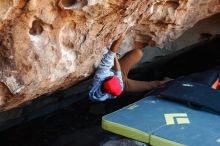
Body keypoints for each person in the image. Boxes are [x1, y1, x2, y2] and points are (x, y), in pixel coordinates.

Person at [89, 29, 166, 101]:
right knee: (151, 86)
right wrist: (123, 32)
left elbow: (113, 50)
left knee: (138, 53)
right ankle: (170, 83)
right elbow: (118, 71)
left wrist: (114, 55)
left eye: (114, 78)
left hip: (117, 78)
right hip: (124, 86)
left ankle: (166, 83)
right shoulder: (116, 91)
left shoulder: (101, 75)